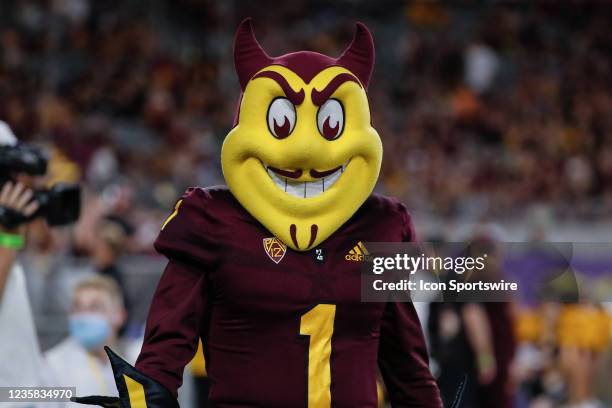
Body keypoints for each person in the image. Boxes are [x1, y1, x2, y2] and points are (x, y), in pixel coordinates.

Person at [74, 19, 443, 407]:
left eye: (329, 125)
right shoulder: (213, 220)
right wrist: (146, 395)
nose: (305, 152)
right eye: (283, 122)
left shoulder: (380, 225)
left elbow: (407, 364)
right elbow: (166, 347)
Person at [45, 275, 128, 401]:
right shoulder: (53, 366)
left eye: (95, 307)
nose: (83, 315)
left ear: (119, 315)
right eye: (77, 307)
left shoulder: (131, 366)